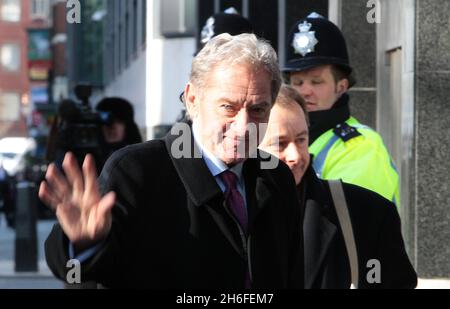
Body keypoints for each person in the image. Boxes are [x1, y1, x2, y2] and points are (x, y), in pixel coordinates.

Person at [41, 33, 304, 289]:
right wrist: (85, 243)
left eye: (258, 110)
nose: (244, 125)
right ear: (192, 100)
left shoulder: (276, 177)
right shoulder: (137, 171)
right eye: (228, 108)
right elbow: (85, 272)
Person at [259, 85, 417, 289]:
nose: (295, 156)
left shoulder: (369, 214)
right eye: (279, 144)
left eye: (301, 140)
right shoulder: (226, 211)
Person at [283, 13, 400, 206]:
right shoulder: (284, 137)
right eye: (297, 82)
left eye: (316, 81)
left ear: (341, 87)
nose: (305, 91)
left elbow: (345, 225)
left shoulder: (362, 147)